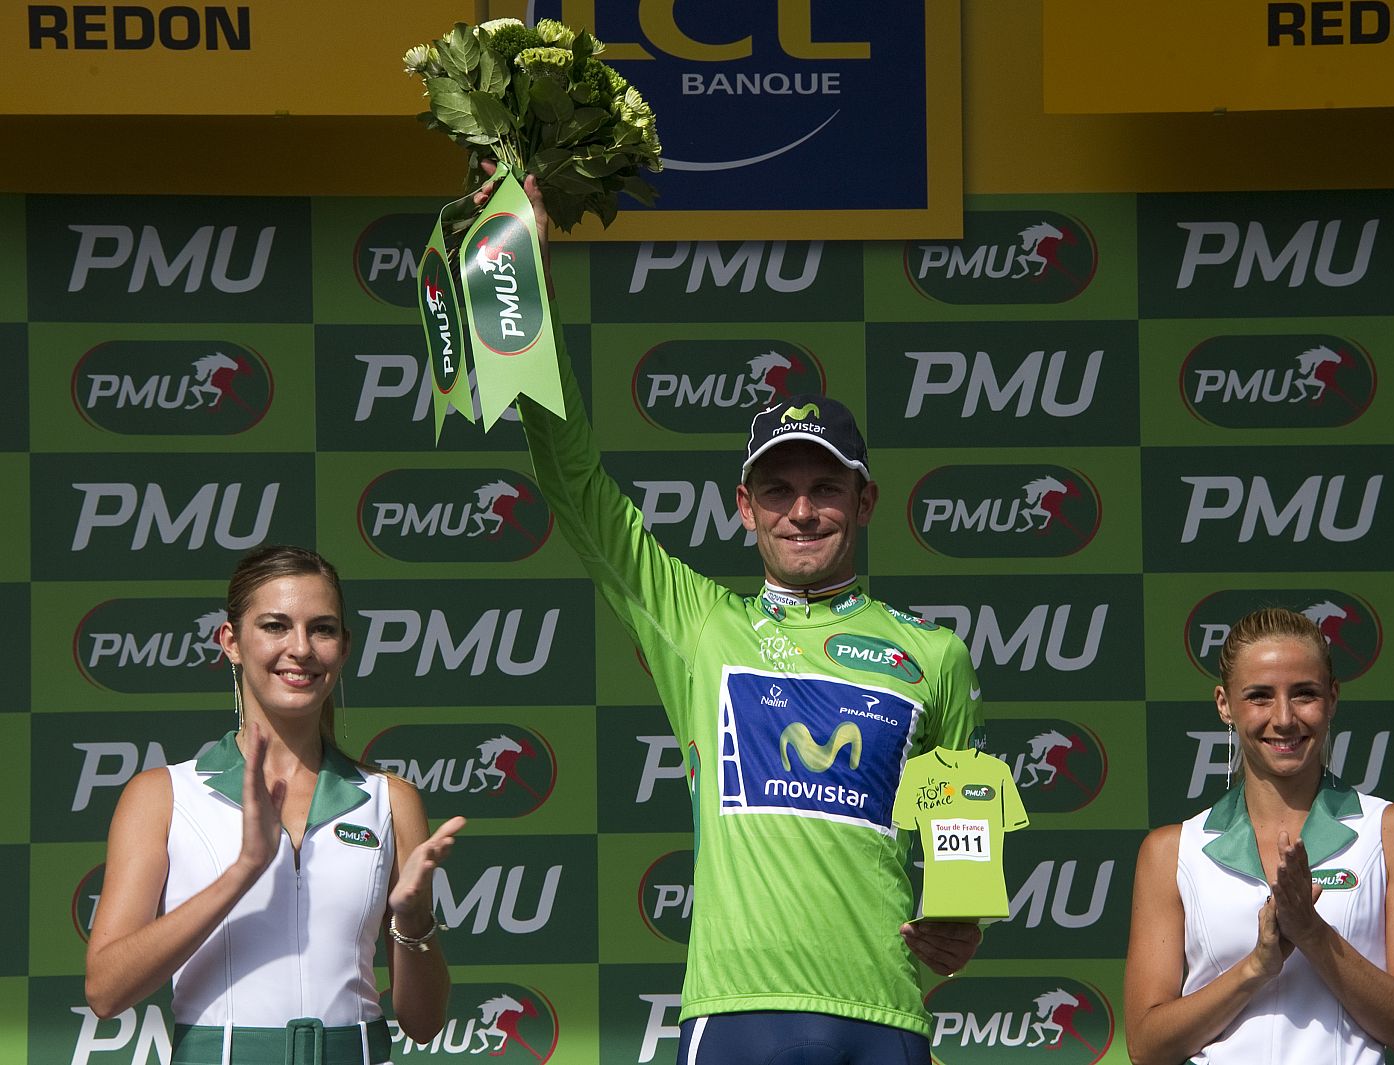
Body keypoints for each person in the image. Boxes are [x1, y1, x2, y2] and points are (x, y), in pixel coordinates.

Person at [500, 170, 987, 1065]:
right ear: (744, 507)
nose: (802, 510)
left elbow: (963, 826)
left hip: (886, 1016)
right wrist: (525, 287)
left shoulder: (934, 654)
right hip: (739, 1011)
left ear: (865, 498)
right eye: (779, 490)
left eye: (824, 487)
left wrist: (962, 910)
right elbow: (573, 479)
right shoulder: (698, 623)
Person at [85, 545, 466, 1065]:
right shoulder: (162, 795)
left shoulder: (390, 799)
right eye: (275, 626)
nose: (301, 648)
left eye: (323, 629)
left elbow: (423, 1025)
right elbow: (106, 992)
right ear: (231, 641)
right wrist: (242, 871)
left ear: (344, 646)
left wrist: (414, 918)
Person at [1122, 607, 1394, 1065]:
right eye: (1258, 696)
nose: (1284, 718)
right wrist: (1257, 966)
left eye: (1304, 694)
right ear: (1224, 705)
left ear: (1332, 698)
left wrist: (1310, 932)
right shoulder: (1170, 851)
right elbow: (1146, 1047)